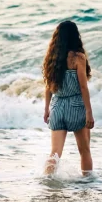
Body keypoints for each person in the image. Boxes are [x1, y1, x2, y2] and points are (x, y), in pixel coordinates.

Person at [42, 20, 95, 176]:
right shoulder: (78, 57)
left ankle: (47, 181)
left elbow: (47, 87)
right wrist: (89, 111)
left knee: (55, 153)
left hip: (57, 106)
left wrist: (46, 109)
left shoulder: (51, 59)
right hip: (76, 105)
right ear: (75, 36)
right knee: (84, 151)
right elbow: (83, 87)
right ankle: (87, 185)